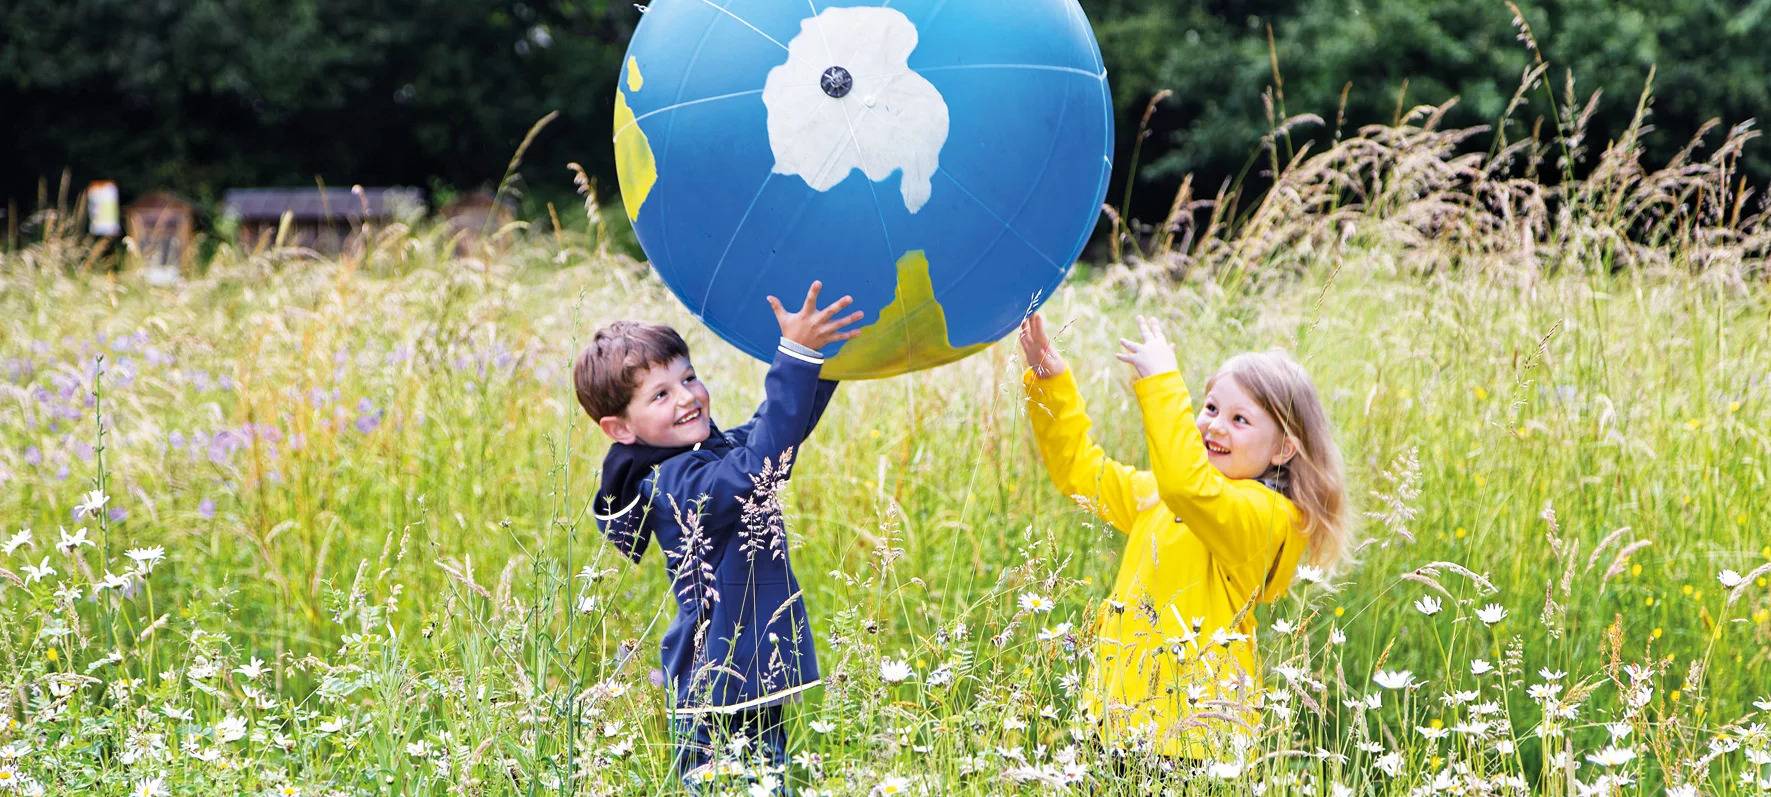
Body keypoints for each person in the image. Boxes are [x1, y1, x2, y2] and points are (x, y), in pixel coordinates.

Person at [1017, 312, 1350, 765]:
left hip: (1191, 744)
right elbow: (1081, 474)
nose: (1215, 425)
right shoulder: (1164, 494)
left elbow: (1188, 487)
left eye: (1239, 419)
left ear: (1283, 449)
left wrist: (1162, 382)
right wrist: (1050, 382)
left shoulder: (1266, 518)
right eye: (1211, 408)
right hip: (1113, 722)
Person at [573, 283, 863, 790]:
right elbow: (760, 465)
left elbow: (772, 433)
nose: (687, 397)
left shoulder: (701, 454)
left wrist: (824, 359)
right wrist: (794, 356)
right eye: (660, 395)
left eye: (689, 378)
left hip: (741, 676)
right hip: (716, 684)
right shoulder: (675, 482)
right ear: (620, 429)